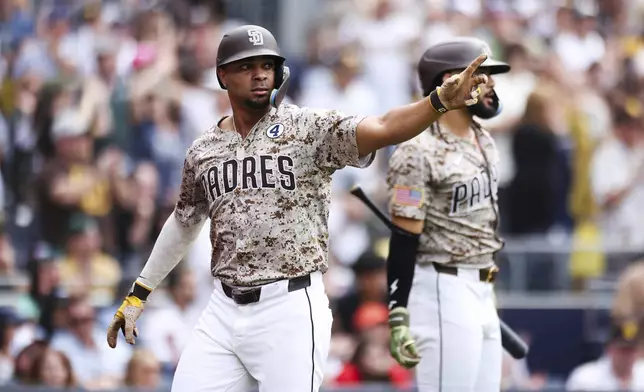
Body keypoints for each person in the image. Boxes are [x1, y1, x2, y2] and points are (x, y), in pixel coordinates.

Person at [105, 25, 489, 392]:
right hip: (222, 307)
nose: (259, 75)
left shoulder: (307, 128)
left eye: (267, 66)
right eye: (246, 66)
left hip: (288, 305)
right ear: (223, 75)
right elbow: (184, 221)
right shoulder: (204, 148)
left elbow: (385, 126)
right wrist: (139, 293)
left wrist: (437, 102)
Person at [384, 37, 511, 391]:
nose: (491, 83)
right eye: (481, 74)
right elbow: (404, 235)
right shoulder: (416, 147)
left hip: (483, 286)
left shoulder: (482, 136)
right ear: (451, 80)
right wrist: (398, 311)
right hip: (442, 287)